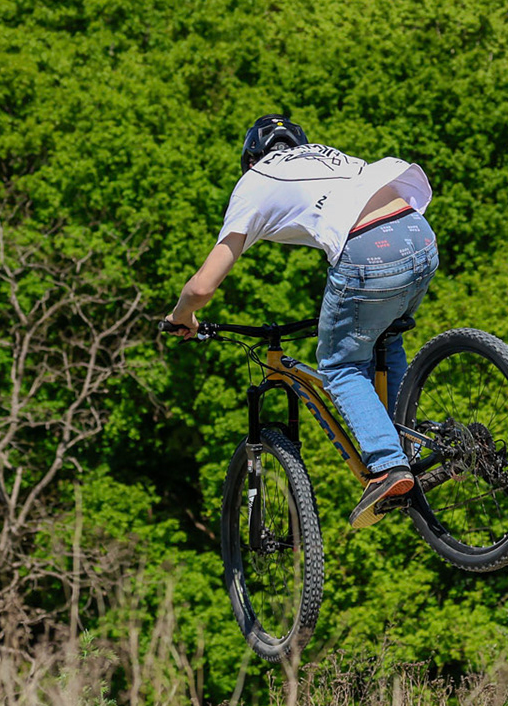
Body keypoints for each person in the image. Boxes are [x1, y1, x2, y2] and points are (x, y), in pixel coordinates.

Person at [163, 114, 438, 529]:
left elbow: (202, 287)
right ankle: (410, 447)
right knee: (385, 339)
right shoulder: (328, 157)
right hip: (419, 234)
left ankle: (388, 465)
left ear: (250, 159)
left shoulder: (255, 181)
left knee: (340, 365)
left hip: (370, 251)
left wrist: (181, 316)